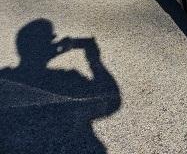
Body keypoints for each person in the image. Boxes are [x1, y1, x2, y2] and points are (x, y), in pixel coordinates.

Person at [0, 19, 121, 153]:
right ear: (50, 45)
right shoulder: (67, 81)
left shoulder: (6, 80)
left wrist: (39, 58)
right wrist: (94, 60)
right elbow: (111, 101)